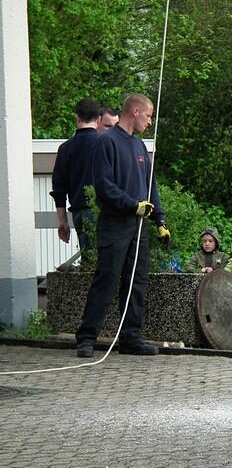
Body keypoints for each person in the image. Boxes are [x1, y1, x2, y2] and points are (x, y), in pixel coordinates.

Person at [75, 93, 171, 357]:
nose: (150, 122)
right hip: (115, 225)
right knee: (106, 281)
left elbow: (151, 185)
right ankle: (86, 338)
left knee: (136, 283)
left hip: (139, 228)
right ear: (136, 112)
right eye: (149, 116)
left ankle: (131, 338)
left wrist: (160, 220)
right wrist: (132, 205)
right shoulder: (105, 142)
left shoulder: (139, 147)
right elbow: (104, 187)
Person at [50, 97, 100, 251]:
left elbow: (58, 189)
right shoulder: (105, 144)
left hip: (80, 211)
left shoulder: (65, 148)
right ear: (98, 119)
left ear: (77, 118)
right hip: (105, 211)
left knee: (89, 260)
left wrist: (63, 222)